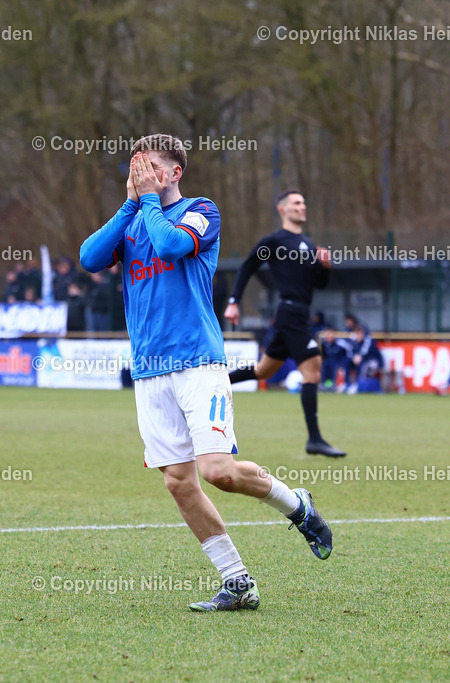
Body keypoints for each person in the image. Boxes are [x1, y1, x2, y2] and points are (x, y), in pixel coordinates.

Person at [80, 134, 332, 613]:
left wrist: (148, 201)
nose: (141, 173)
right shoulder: (135, 219)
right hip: (150, 370)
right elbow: (90, 258)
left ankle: (295, 504)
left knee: (218, 472)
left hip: (198, 361)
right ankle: (237, 581)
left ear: (174, 172)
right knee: (178, 481)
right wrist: (129, 205)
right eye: (136, 166)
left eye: (151, 166)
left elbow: (173, 246)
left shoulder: (202, 209)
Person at [224, 191, 346, 457]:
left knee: (264, 371)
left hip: (298, 313)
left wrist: (324, 266)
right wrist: (234, 301)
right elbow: (247, 267)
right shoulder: (275, 241)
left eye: (304, 202)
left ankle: (218, 382)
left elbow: (319, 284)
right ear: (283, 210)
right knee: (313, 370)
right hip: (290, 313)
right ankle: (314, 439)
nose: (303, 207)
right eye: (296, 203)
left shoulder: (309, 245)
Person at [346, 327, 383, 393]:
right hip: (361, 360)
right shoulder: (354, 341)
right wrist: (354, 358)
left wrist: (359, 357)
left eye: (359, 333)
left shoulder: (368, 340)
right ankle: (347, 384)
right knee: (347, 363)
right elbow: (350, 353)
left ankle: (359, 385)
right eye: (356, 333)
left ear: (362, 333)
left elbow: (365, 352)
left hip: (374, 361)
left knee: (363, 365)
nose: (358, 335)